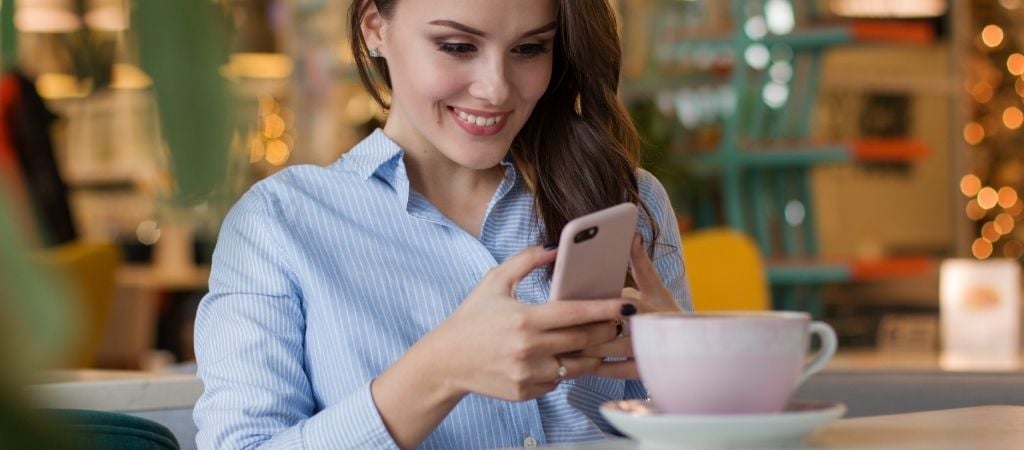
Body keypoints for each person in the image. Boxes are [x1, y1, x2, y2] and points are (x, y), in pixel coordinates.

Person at [193, 0, 692, 448]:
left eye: (529, 49)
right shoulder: (280, 224)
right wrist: (439, 371)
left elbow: (688, 428)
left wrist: (694, 368)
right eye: (456, 45)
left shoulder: (623, 199)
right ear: (375, 28)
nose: (496, 88)